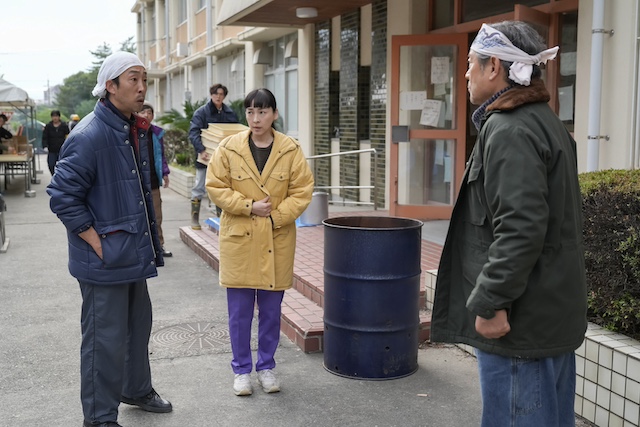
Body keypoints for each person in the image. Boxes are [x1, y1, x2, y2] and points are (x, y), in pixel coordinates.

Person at [430, 21, 587, 427]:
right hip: (545, 315)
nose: (465, 74)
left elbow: (520, 228)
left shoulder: (510, 128)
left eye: (470, 64)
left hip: (520, 325)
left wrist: (491, 301)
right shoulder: (544, 120)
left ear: (494, 66)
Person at [47, 51, 172, 427]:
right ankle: (100, 417)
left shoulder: (128, 126)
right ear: (110, 86)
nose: (141, 87)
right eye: (132, 79)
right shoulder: (89, 134)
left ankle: (136, 389)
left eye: (143, 79)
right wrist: (95, 241)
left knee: (137, 327)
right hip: (104, 259)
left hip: (130, 252)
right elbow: (62, 196)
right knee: (104, 339)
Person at [206, 88, 314, 396]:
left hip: (276, 238)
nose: (256, 119)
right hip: (239, 240)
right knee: (239, 313)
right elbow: (216, 186)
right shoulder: (229, 148)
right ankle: (241, 370)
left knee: (270, 312)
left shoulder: (290, 150)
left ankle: (266, 366)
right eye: (251, 112)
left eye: (263, 112)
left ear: (275, 115)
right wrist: (248, 206)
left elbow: (303, 190)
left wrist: (276, 216)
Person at [188, 83, 239, 229]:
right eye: (216, 94)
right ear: (211, 95)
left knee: (221, 187)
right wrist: (201, 149)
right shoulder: (201, 112)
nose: (218, 97)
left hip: (223, 160)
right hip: (204, 158)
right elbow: (193, 132)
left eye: (221, 94)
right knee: (199, 186)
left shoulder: (229, 113)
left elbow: (235, 133)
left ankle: (221, 219)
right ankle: (194, 219)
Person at [138, 102, 172, 257]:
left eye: (149, 112)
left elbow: (161, 156)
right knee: (140, 217)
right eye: (143, 112)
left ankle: (159, 246)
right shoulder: (132, 131)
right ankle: (142, 249)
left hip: (153, 182)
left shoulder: (157, 133)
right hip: (137, 183)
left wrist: (165, 173)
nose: (146, 115)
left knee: (157, 216)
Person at [42, 110, 70, 175]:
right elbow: (44, 137)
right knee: (51, 165)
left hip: (62, 149)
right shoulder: (48, 126)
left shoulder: (64, 125)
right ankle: (54, 176)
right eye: (53, 116)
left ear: (59, 117)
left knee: (63, 166)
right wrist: (45, 146)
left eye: (56, 116)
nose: (55, 118)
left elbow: (68, 136)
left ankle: (61, 178)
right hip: (52, 149)